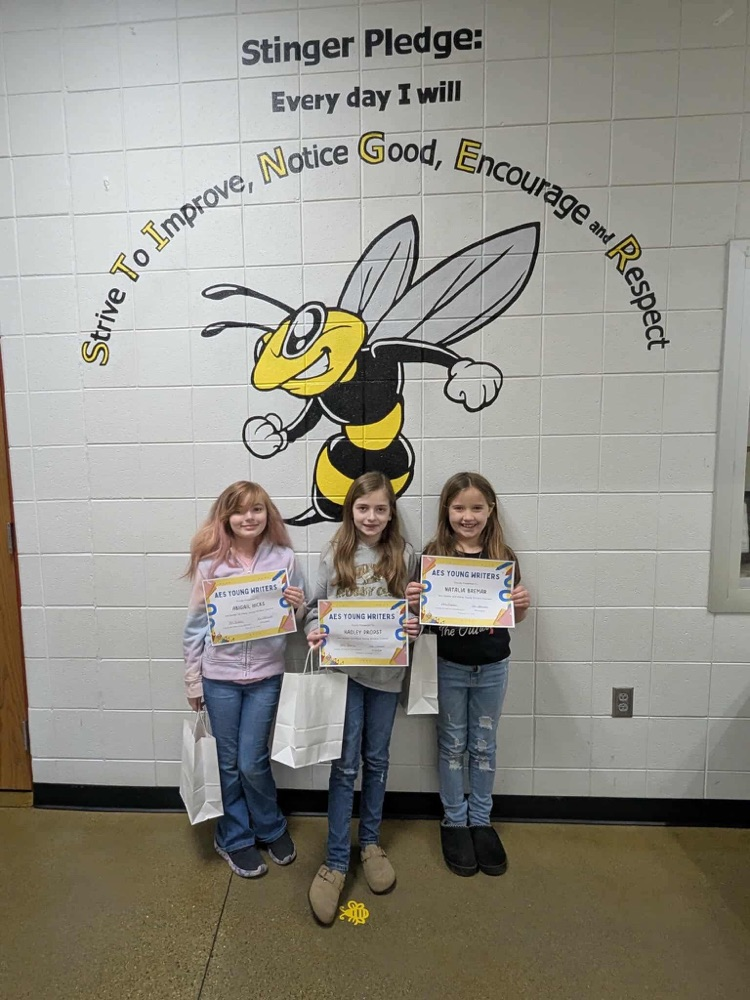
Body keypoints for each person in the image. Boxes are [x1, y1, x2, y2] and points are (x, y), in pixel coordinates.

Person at [305, 472, 420, 925]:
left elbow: (416, 610)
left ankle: (370, 843)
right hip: (343, 676)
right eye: (363, 508)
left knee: (377, 759)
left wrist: (413, 622)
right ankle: (336, 860)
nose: (371, 517)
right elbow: (314, 607)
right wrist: (314, 628)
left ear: (391, 513)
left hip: (386, 675)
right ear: (350, 509)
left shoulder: (405, 555)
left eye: (380, 509)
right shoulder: (334, 552)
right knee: (344, 765)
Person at [406, 472, 530, 878]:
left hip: (492, 667)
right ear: (447, 510)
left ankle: (481, 819)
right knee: (452, 744)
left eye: (477, 507)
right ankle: (454, 821)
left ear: (490, 510)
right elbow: (420, 618)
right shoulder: (432, 556)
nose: (468, 516)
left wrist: (521, 606)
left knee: (484, 745)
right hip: (447, 667)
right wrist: (413, 602)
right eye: (459, 507)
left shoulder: (503, 557)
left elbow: (512, 617)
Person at [183, 481, 305, 879]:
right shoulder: (210, 564)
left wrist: (298, 607)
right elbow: (195, 627)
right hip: (219, 678)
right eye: (238, 511)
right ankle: (234, 836)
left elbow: (297, 620)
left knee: (252, 761)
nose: (248, 518)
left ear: (267, 514)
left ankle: (270, 827)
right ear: (226, 517)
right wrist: (193, 681)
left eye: (256, 509)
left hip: (266, 676)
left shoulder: (284, 558)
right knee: (227, 763)